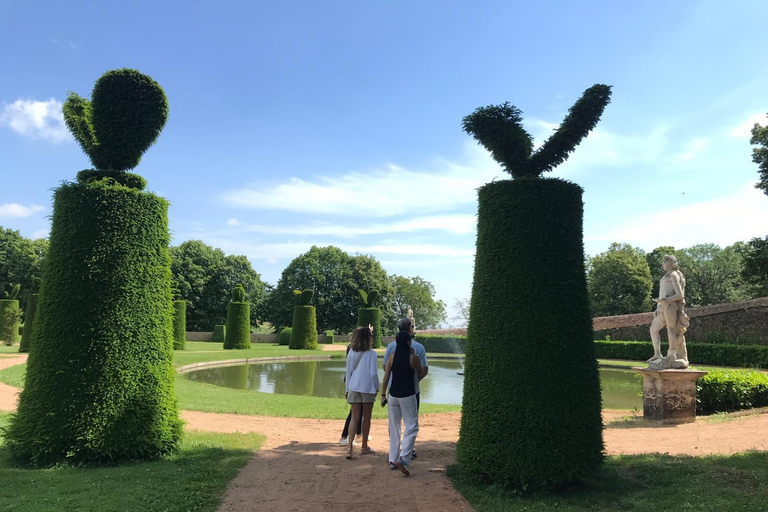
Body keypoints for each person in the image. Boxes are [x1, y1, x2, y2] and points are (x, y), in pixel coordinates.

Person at [383, 317, 428, 460]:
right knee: (411, 424)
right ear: (410, 330)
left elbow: (385, 372)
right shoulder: (417, 351)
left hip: (393, 391)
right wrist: (415, 379)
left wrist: (383, 394)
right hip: (410, 391)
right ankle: (406, 453)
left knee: (394, 425)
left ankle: (393, 458)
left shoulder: (391, 350)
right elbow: (423, 371)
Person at [649, 255, 690, 368]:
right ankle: (657, 354)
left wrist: (664, 301)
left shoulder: (673, 275)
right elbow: (663, 294)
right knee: (653, 329)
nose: (662, 264)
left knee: (671, 329)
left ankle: (672, 354)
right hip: (663, 307)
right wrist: (658, 306)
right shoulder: (665, 276)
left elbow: (680, 294)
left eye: (664, 262)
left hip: (671, 306)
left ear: (669, 263)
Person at [344, 324, 379, 459]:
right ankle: (364, 446)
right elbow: (373, 373)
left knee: (354, 417)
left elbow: (348, 372)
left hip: (354, 386)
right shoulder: (372, 354)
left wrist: (347, 388)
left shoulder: (352, 352)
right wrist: (377, 387)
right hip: (368, 388)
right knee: (366, 418)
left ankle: (349, 448)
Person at [339, 342, 363, 446]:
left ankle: (359, 434)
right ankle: (344, 436)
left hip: (354, 381)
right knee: (354, 412)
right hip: (353, 382)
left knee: (359, 410)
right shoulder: (354, 348)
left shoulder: (353, 347)